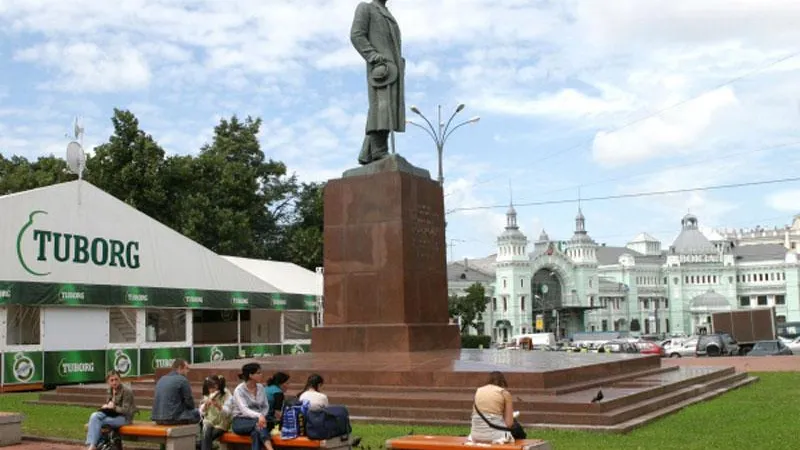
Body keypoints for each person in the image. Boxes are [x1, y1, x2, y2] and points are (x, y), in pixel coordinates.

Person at [350, 0, 406, 165]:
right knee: (382, 106)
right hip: (380, 68)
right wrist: (372, 55)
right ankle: (378, 150)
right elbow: (356, 34)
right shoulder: (366, 8)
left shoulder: (388, 14)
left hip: (393, 68)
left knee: (389, 108)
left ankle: (367, 153)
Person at [85, 370, 137, 450]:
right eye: (112, 380)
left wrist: (113, 407)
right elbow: (110, 405)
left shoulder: (127, 391)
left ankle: (93, 446)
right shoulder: (110, 390)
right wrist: (105, 407)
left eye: (116, 379)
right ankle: (93, 445)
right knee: (94, 416)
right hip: (112, 414)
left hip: (125, 418)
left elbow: (126, 410)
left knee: (98, 421)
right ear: (108, 382)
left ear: (120, 379)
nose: (114, 382)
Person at [230, 363, 274, 450]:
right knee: (259, 425)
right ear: (251, 375)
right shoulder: (239, 390)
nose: (261, 375)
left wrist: (262, 416)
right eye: (258, 373)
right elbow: (244, 410)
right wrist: (259, 416)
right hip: (240, 421)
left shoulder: (261, 388)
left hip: (259, 420)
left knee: (256, 432)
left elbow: (265, 406)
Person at [468, 371, 515, 444]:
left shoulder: (478, 391)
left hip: (475, 435)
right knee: (517, 431)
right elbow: (509, 424)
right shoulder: (504, 393)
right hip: (495, 436)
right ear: (503, 382)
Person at [151, 358, 201, 425]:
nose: (188, 371)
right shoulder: (182, 380)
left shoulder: (162, 379)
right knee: (199, 412)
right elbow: (190, 403)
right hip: (173, 418)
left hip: (157, 418)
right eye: (186, 368)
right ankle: (201, 435)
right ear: (180, 368)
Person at [200, 375, 232, 450]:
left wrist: (219, 406)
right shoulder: (207, 394)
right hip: (209, 420)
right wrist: (204, 407)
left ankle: (200, 444)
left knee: (207, 437)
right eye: (209, 388)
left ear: (217, 385)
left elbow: (228, 412)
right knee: (206, 431)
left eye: (212, 387)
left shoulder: (226, 393)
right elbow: (202, 413)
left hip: (222, 422)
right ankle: (202, 444)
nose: (210, 390)